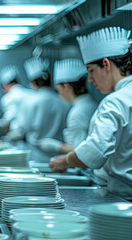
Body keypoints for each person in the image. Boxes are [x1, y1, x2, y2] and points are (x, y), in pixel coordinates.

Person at [49, 27, 132, 199]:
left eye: (91, 70)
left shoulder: (116, 101)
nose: (90, 79)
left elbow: (96, 151)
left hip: (120, 196)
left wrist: (64, 161)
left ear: (106, 64)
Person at [39, 58, 97, 154]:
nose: (59, 94)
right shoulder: (90, 104)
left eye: (58, 90)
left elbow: (80, 153)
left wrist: (58, 147)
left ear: (65, 86)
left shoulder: (77, 113)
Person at [14, 57, 70, 146]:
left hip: (35, 151)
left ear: (32, 82)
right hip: (59, 151)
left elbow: (25, 126)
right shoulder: (63, 101)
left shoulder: (29, 101)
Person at [0, 65, 34, 135]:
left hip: (17, 136)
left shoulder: (8, 97)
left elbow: (7, 119)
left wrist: (5, 123)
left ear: (6, 84)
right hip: (32, 135)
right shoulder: (31, 93)